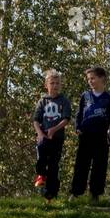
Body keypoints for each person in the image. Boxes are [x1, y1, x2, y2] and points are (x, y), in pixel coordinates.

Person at [69, 65, 110, 203]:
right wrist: (77, 127)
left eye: (93, 78)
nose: (90, 81)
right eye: (89, 79)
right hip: (86, 135)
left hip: (101, 136)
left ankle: (95, 193)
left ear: (102, 78)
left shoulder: (108, 98)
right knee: (81, 164)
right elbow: (79, 113)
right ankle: (75, 192)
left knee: (99, 165)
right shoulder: (85, 96)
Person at [32, 70, 73, 204]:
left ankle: (50, 194)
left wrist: (54, 130)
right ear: (46, 85)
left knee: (54, 165)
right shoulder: (42, 101)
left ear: (60, 85)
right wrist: (40, 133)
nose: (55, 86)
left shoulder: (64, 101)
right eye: (52, 83)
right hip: (43, 137)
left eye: (57, 83)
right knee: (41, 155)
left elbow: (66, 119)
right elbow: (36, 120)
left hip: (57, 137)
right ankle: (41, 175)